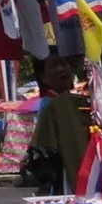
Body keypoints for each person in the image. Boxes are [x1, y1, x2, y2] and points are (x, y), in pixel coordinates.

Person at [29, 56, 87, 193]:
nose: (61, 69)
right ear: (42, 77)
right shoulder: (49, 105)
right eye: (53, 66)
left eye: (63, 63)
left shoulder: (78, 101)